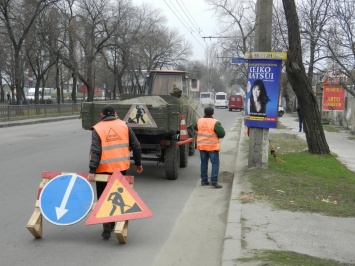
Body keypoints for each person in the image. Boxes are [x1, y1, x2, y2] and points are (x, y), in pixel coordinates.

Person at [87, 105, 143, 239]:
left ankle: (107, 225)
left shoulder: (97, 128)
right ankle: (114, 223)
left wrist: (92, 170)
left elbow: (96, 151)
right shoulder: (124, 125)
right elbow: (136, 145)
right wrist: (138, 163)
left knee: (103, 198)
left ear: (102, 115)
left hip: (102, 170)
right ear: (115, 113)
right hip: (120, 169)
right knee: (117, 197)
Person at [195, 106, 225, 188]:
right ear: (213, 113)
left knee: (204, 163)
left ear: (204, 113)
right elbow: (222, 134)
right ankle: (214, 182)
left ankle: (204, 181)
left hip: (202, 146)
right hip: (212, 147)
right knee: (215, 164)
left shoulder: (199, 121)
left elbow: (195, 128)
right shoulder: (215, 122)